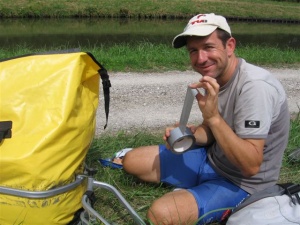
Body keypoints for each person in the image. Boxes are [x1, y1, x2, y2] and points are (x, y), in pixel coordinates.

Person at [122, 13, 290, 225]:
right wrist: (189, 136)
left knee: (160, 215)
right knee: (131, 161)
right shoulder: (216, 77)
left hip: (244, 184)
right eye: (193, 50)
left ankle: (199, 195)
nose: (200, 59)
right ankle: (195, 189)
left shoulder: (255, 87)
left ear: (229, 46)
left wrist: (213, 117)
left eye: (208, 47)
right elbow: (210, 131)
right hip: (211, 159)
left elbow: (251, 166)